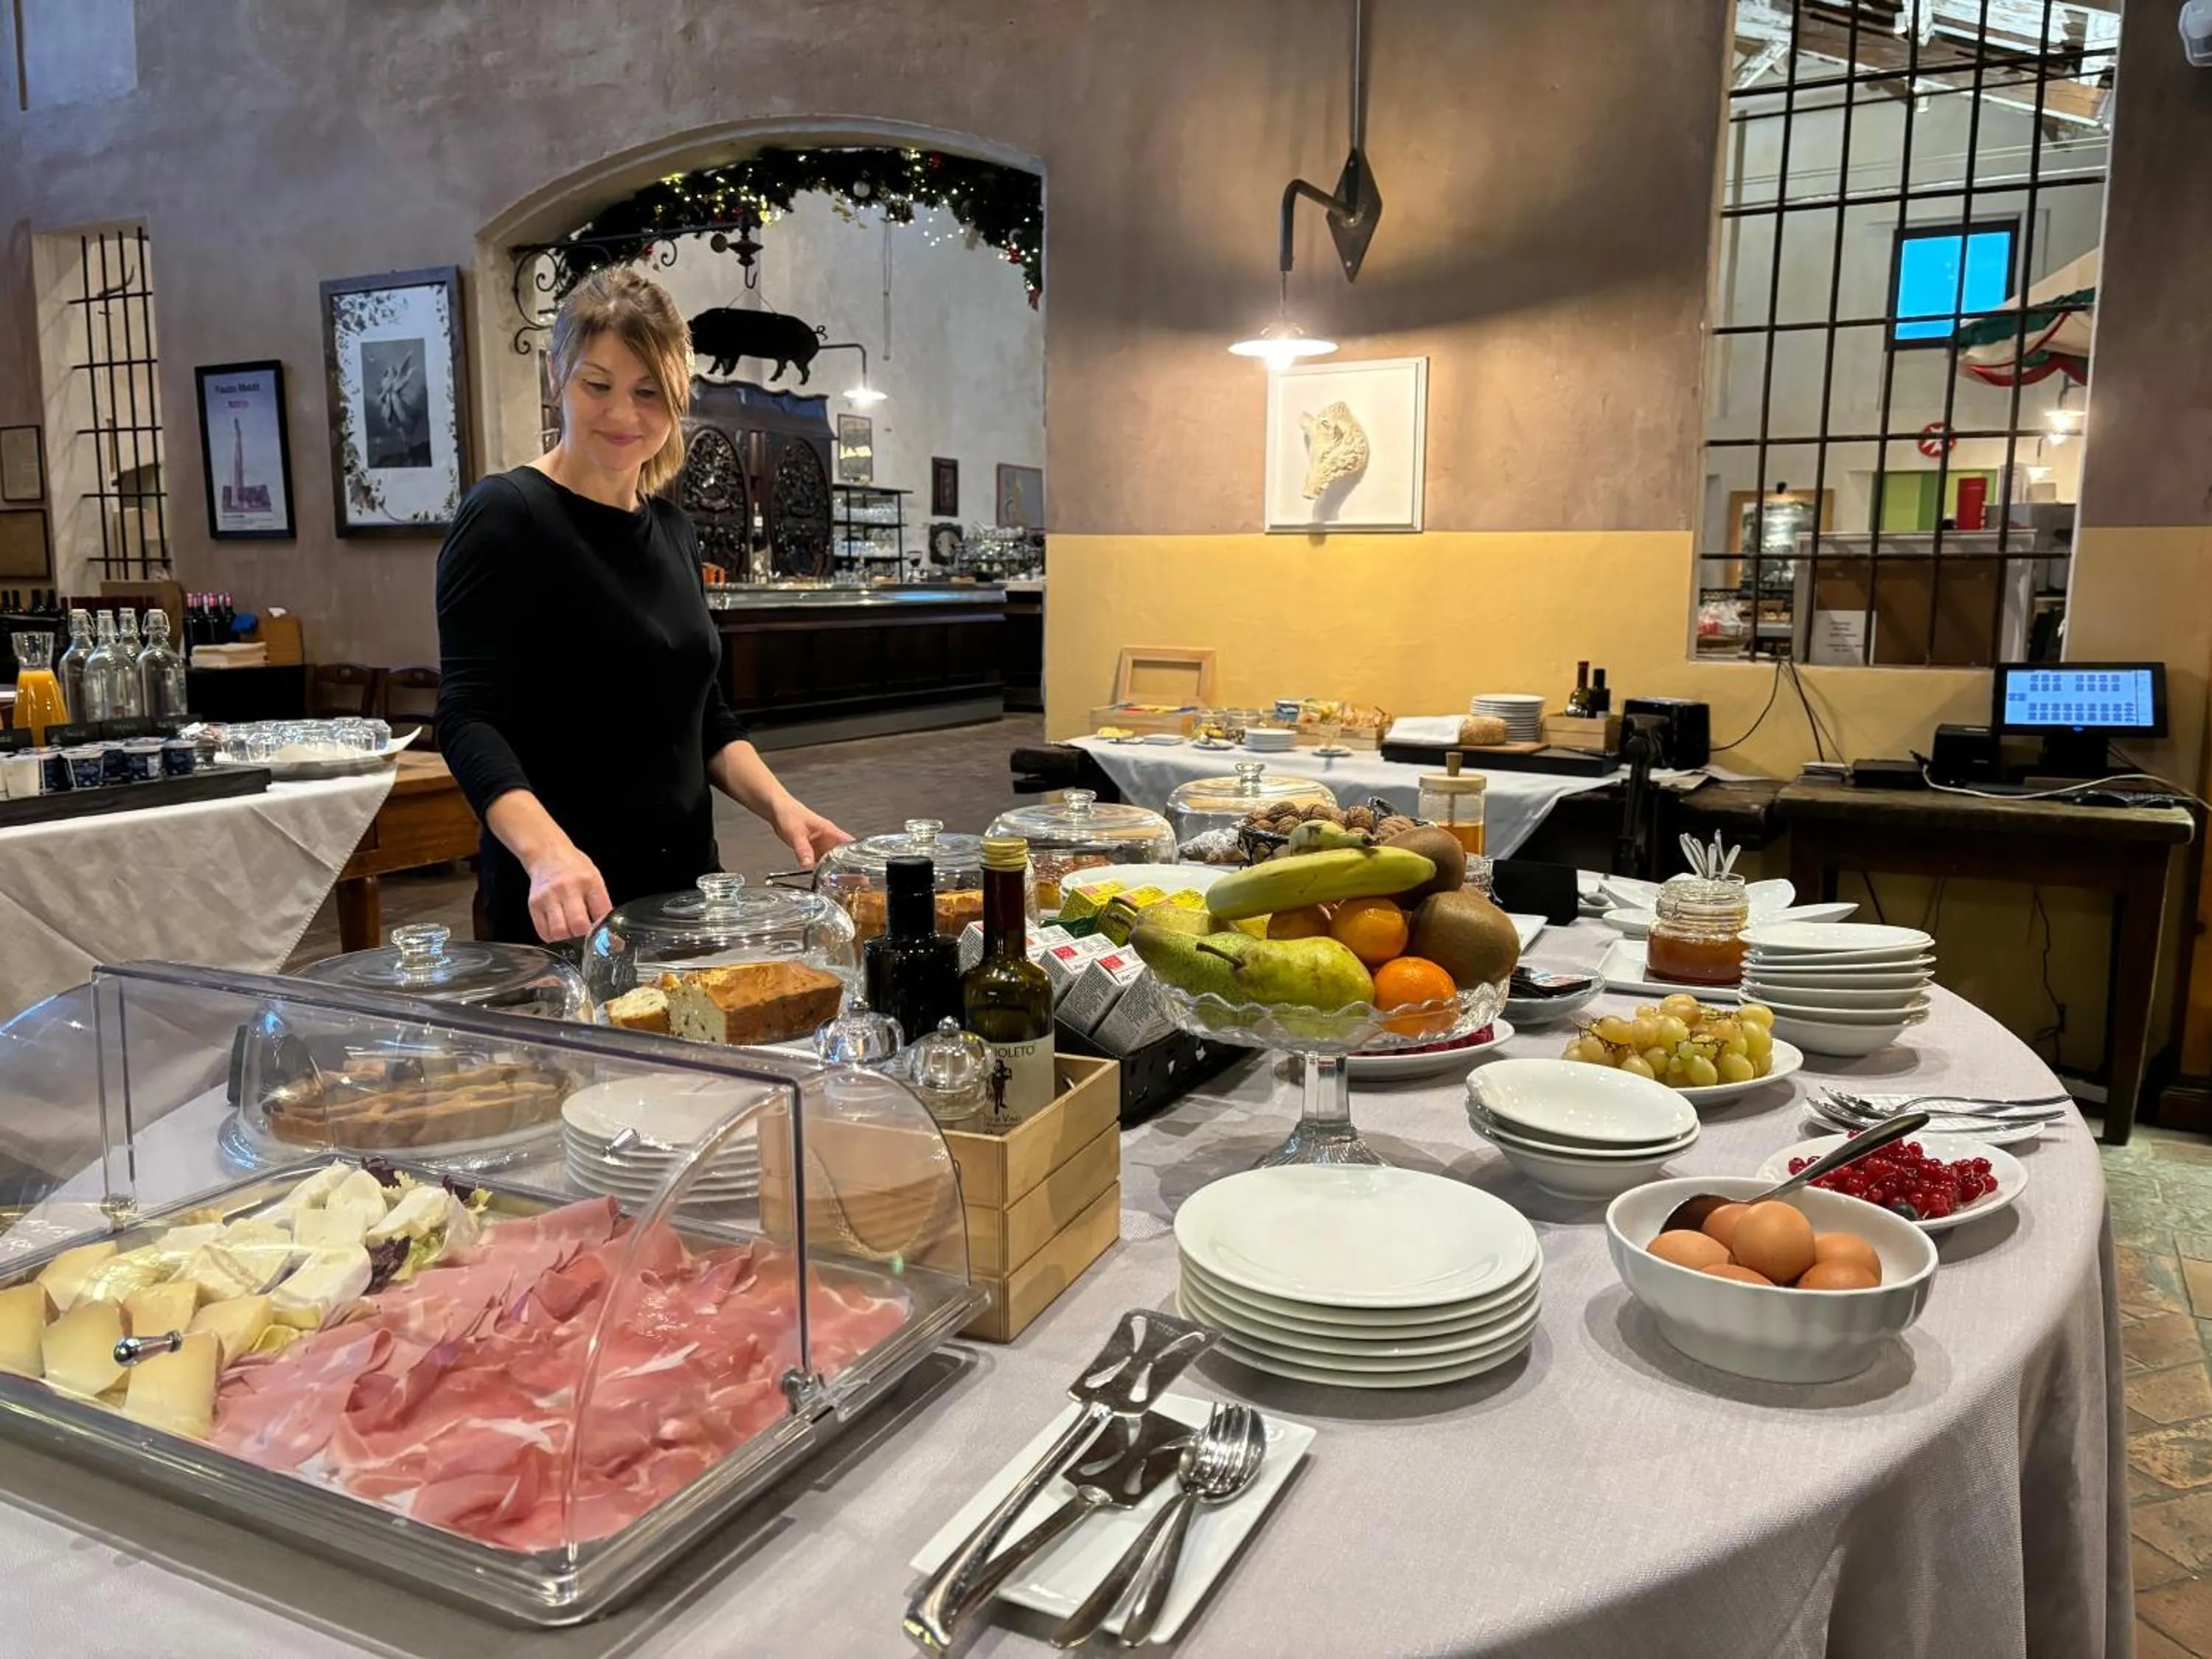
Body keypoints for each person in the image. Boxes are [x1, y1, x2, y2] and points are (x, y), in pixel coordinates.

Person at [437, 268, 850, 945]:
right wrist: (546, 853)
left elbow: (704, 718)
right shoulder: (506, 515)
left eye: (649, 392)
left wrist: (784, 809)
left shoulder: (674, 529)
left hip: (688, 895)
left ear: (680, 395)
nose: (624, 414)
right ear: (557, 376)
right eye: (597, 385)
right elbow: (467, 717)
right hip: (568, 901)